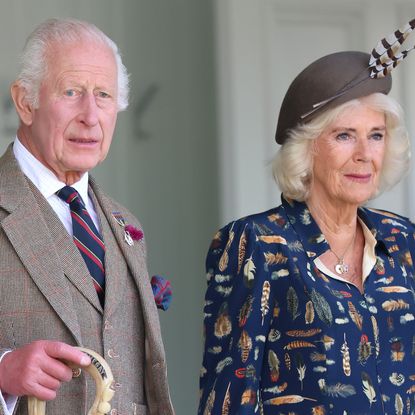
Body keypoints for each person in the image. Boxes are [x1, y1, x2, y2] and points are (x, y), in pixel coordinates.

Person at [199, 19, 415, 415]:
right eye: (344, 135)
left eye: (376, 135)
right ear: (306, 148)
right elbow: (228, 399)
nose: (365, 154)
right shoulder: (256, 244)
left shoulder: (404, 240)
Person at [0, 18, 174, 415]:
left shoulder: (125, 223)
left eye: (104, 95)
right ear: (25, 102)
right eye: (72, 92)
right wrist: (3, 370)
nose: (91, 115)